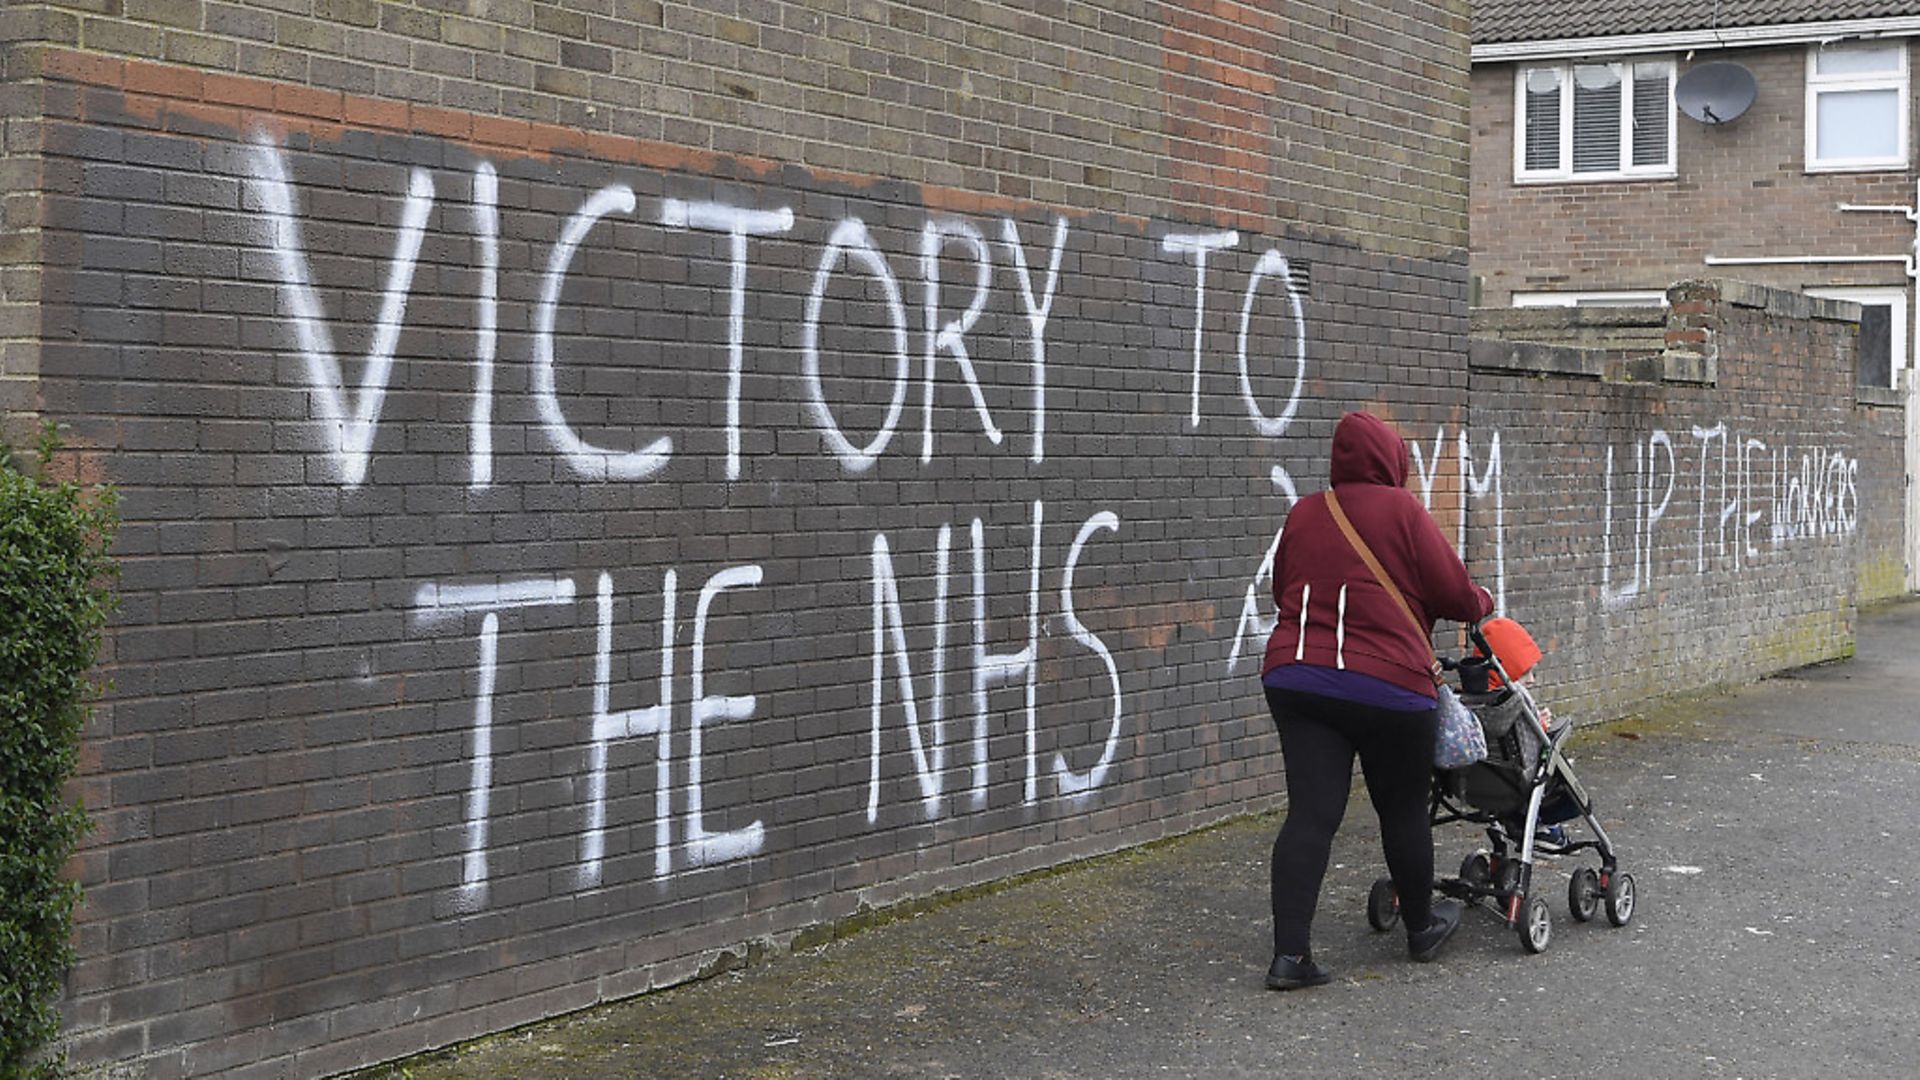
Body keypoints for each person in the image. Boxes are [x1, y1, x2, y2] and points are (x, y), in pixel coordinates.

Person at [1259, 411, 1495, 989]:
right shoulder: (1403, 512)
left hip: (1299, 679)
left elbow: (1279, 589)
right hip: (1390, 687)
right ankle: (1420, 927)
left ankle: (1290, 957)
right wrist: (1480, 599)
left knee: (1311, 815)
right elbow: (1455, 594)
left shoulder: (1305, 512)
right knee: (1402, 809)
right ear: (1393, 460)